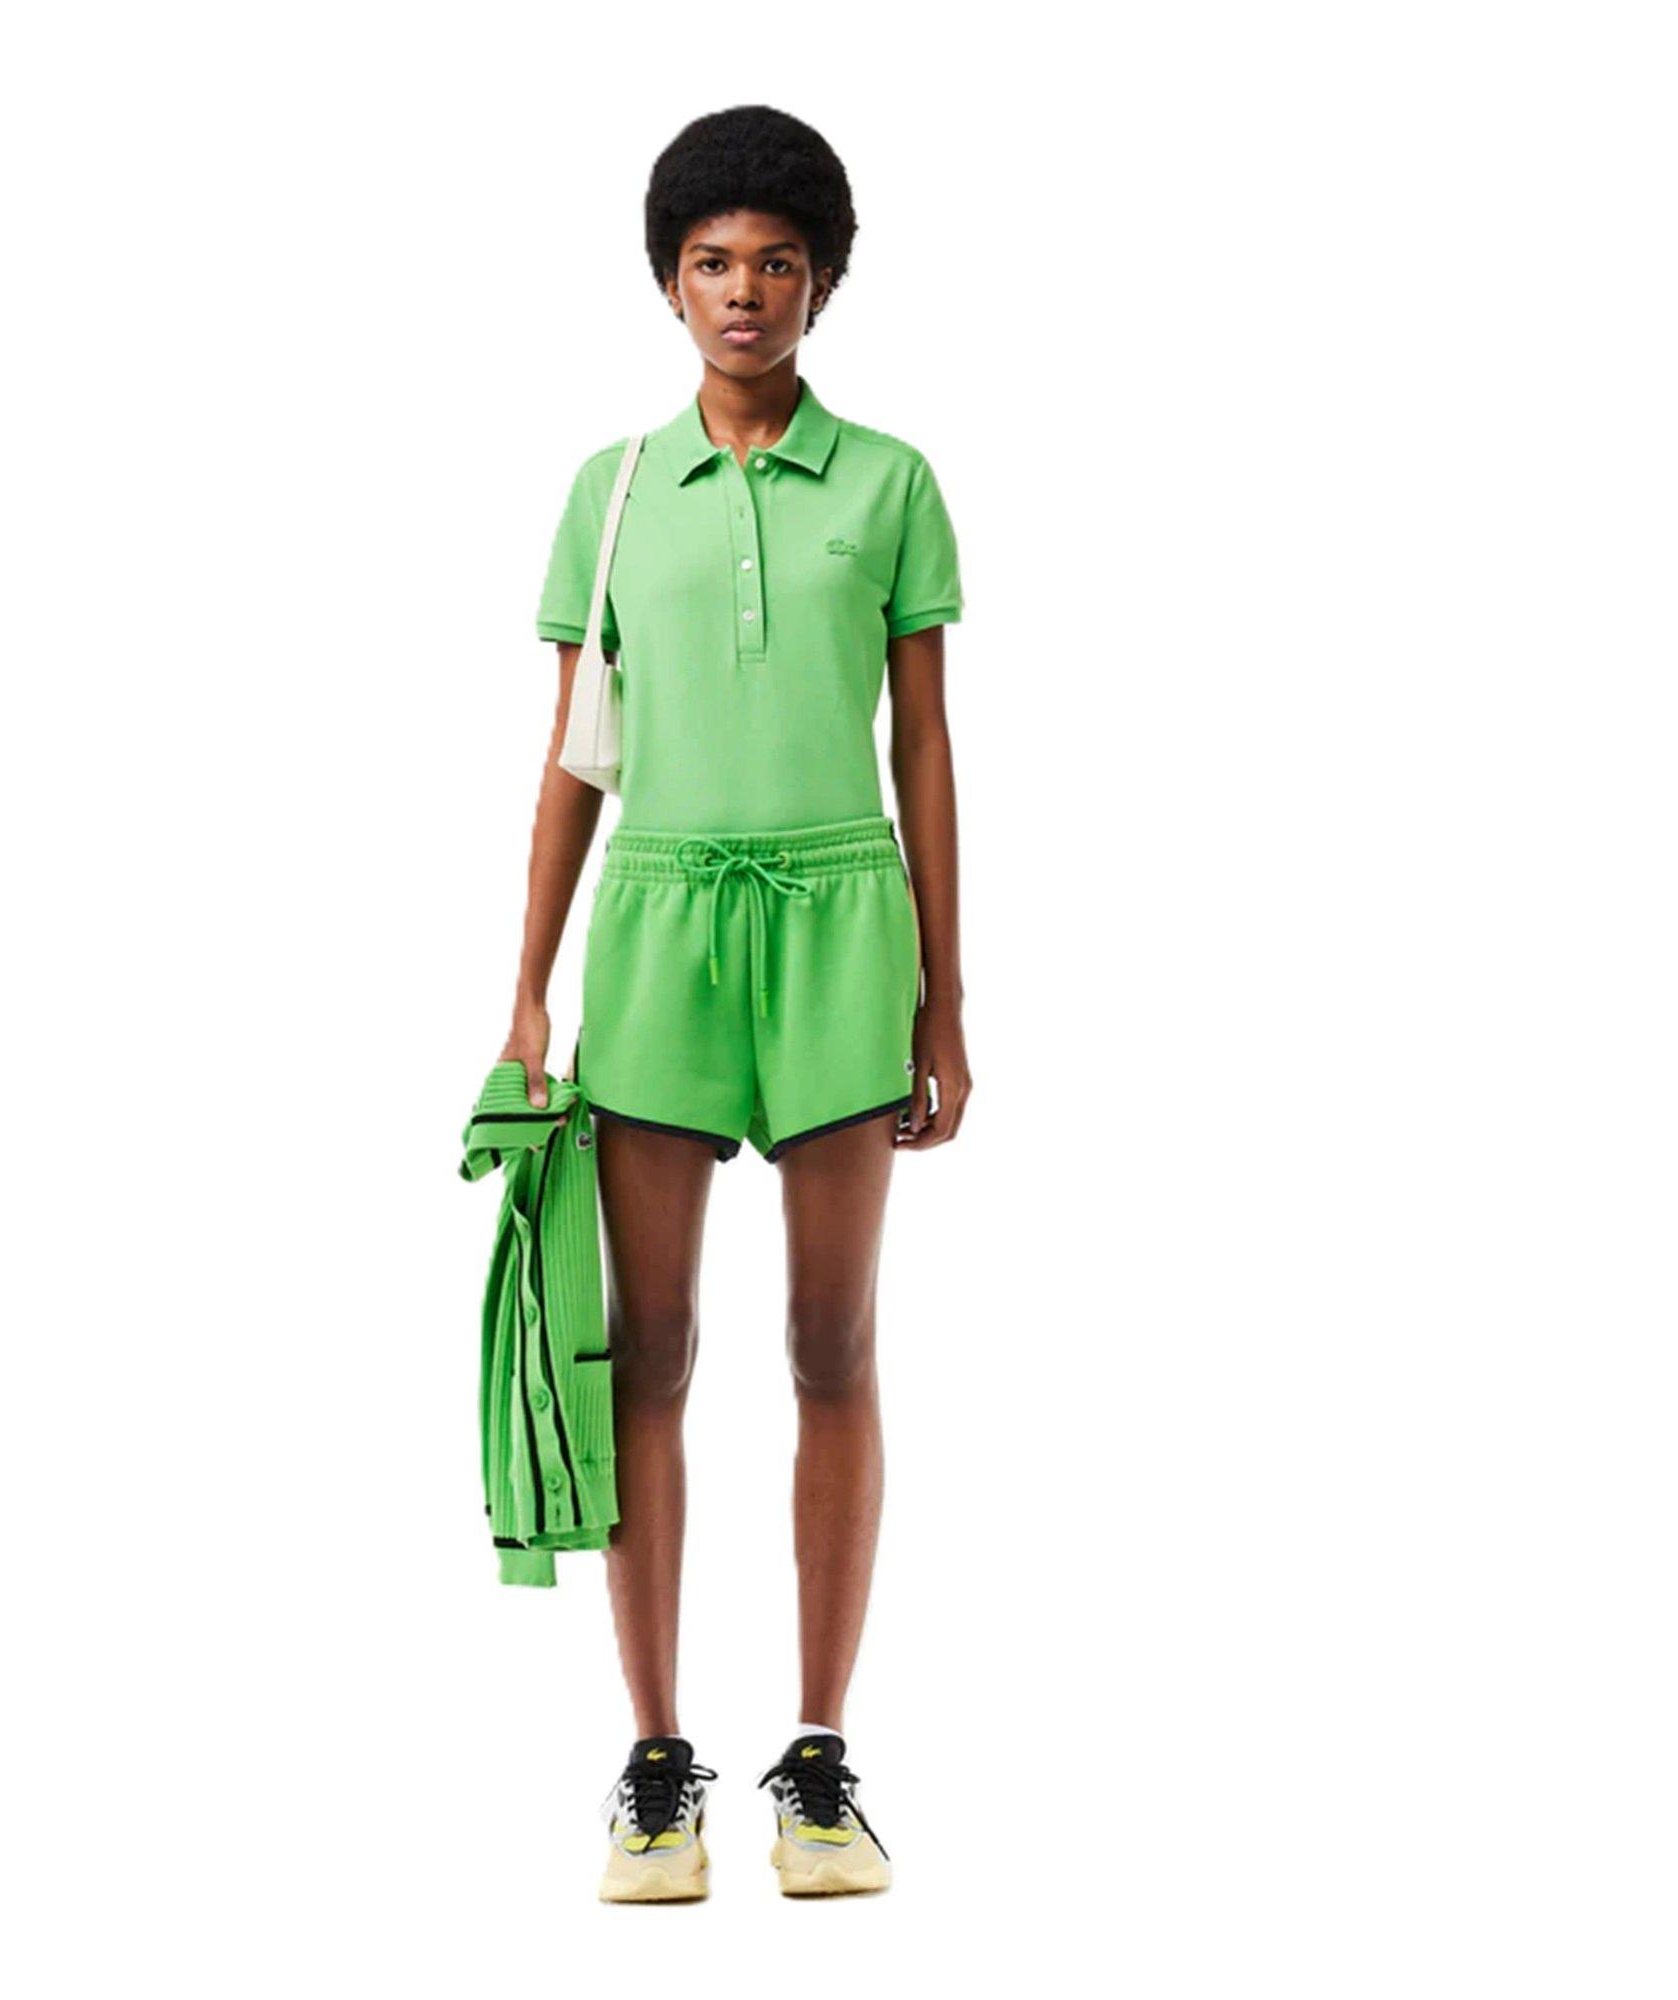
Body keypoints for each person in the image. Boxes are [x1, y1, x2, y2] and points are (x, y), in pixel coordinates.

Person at [504, 104, 971, 1902]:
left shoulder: (893, 483)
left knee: (832, 1346)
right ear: (669, 282)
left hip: (844, 924)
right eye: (713, 262)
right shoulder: (611, 489)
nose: (746, 291)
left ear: (825, 281)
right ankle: (653, 1765)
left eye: (778, 262)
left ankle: (822, 1762)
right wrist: (525, 992)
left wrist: (943, 998)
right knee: (650, 1347)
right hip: (658, 928)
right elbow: (573, 757)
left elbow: (924, 750)